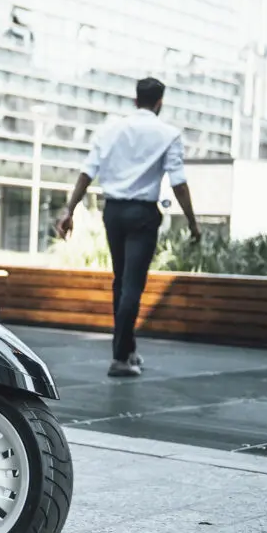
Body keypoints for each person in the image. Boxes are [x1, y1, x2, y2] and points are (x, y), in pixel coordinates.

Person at [54, 77, 201, 378]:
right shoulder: (169, 134)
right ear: (159, 103)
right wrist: (192, 222)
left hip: (114, 212)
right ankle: (120, 359)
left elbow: (87, 173)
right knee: (132, 285)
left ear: (136, 100)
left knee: (121, 282)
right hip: (142, 214)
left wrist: (70, 209)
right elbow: (179, 183)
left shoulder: (108, 131)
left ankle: (128, 349)